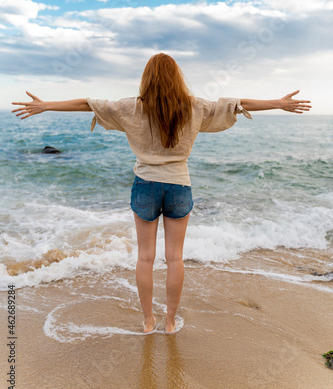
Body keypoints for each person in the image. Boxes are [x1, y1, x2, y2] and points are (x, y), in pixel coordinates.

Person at [11, 53, 312, 334]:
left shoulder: (131, 106)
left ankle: (147, 320)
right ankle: (169, 321)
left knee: (145, 258)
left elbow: (88, 104)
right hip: (180, 184)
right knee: (175, 259)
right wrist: (278, 103)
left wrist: (46, 105)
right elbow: (235, 103)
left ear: (146, 78)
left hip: (145, 184)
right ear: (177, 78)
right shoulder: (194, 106)